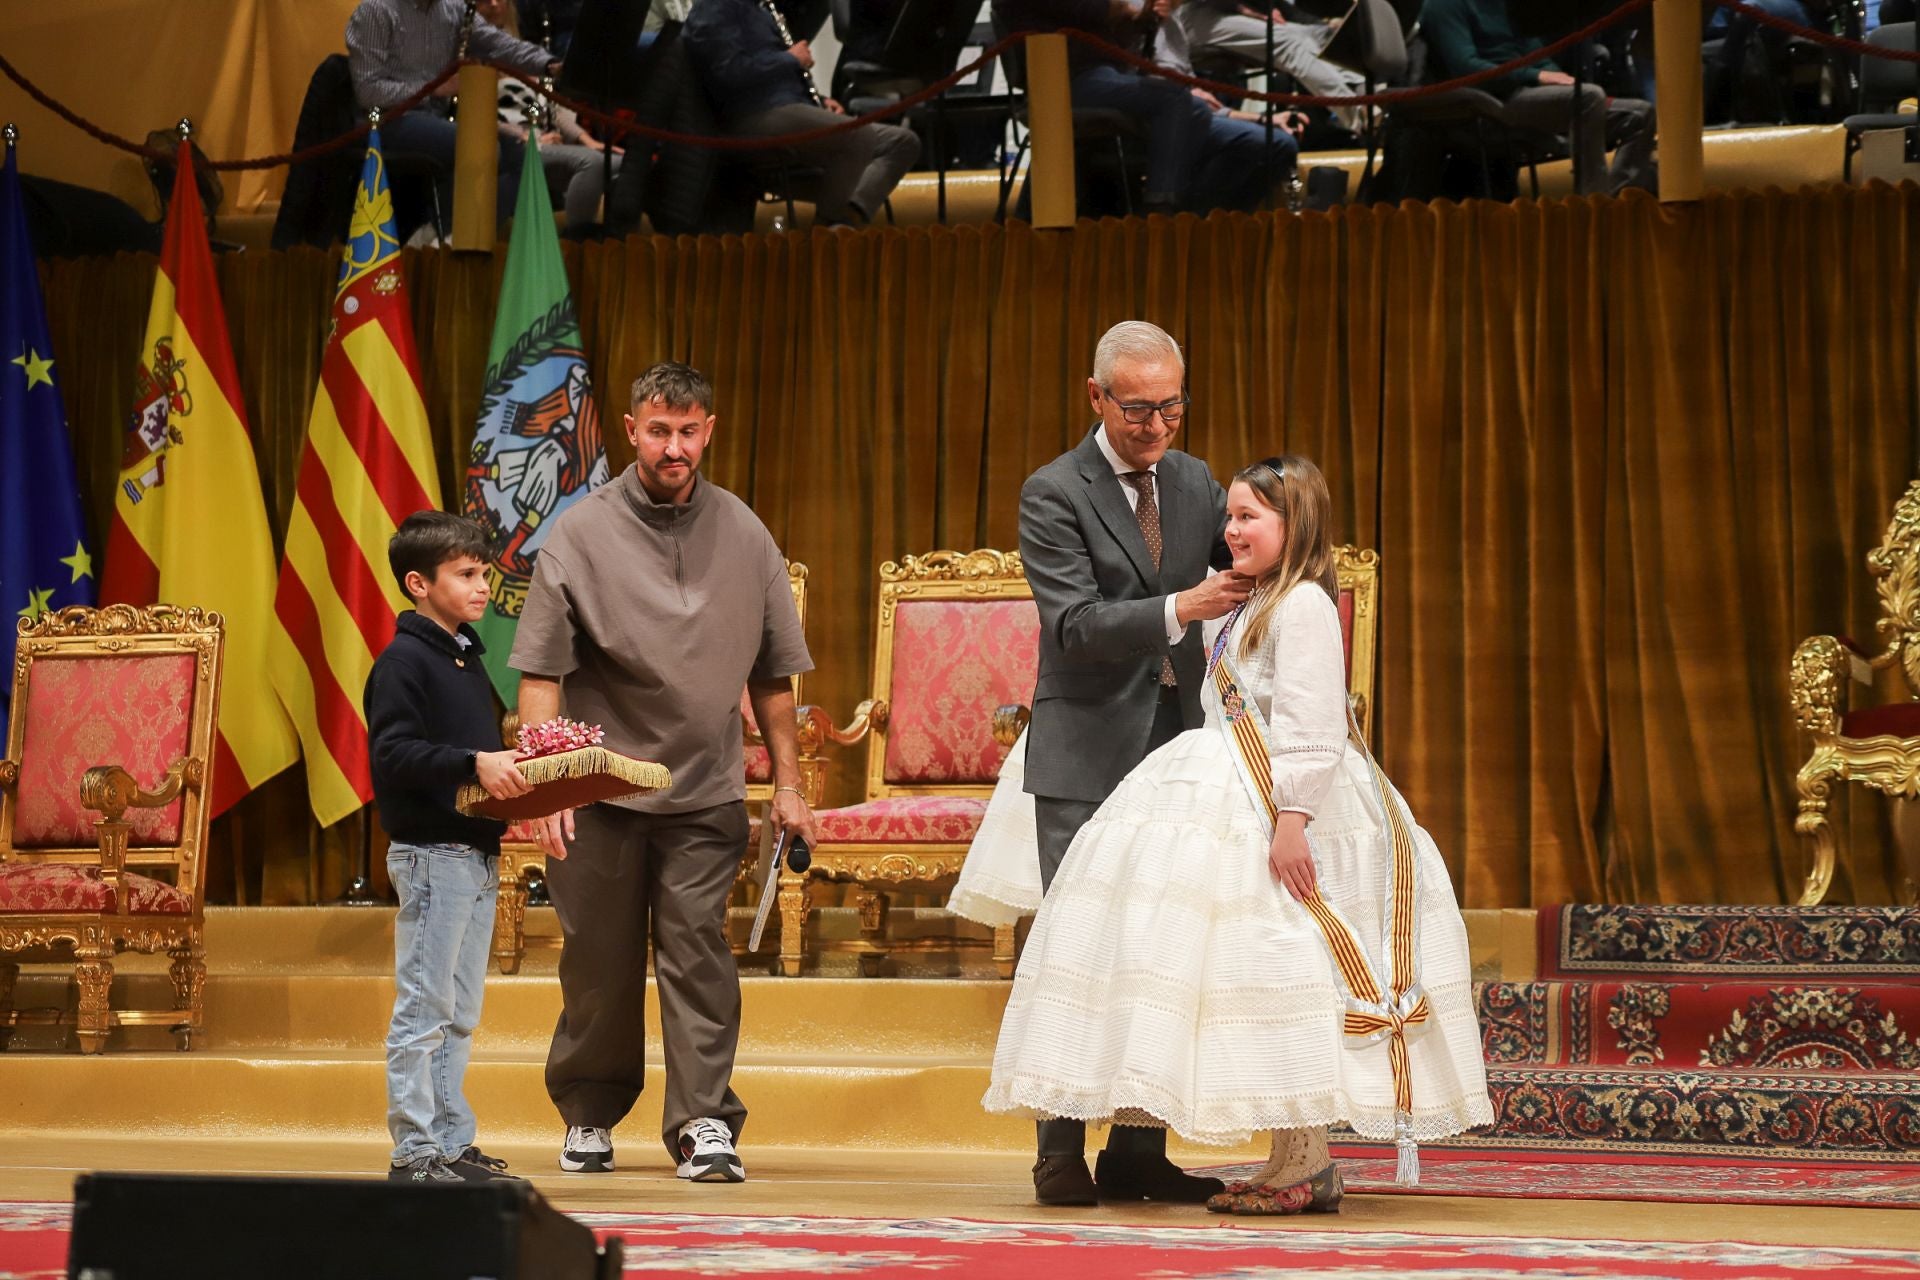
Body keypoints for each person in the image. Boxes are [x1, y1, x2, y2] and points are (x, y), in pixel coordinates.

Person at [983, 455, 1493, 1215]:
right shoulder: (1250, 604)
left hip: (1287, 806)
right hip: (1219, 789)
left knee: (1291, 966)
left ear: (1297, 525)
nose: (1229, 529)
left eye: (1249, 516)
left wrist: (1293, 823)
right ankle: (1292, 1158)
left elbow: (1314, 725)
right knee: (1253, 970)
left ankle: (1306, 1161)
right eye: (1229, 515)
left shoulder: (1304, 607)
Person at [510, 361, 815, 1184]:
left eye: (687, 431)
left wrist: (789, 785)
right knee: (599, 959)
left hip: (704, 790)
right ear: (629, 428)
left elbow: (774, 678)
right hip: (599, 790)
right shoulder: (577, 533)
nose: (672, 446)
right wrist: (546, 787)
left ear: (708, 430)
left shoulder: (746, 533)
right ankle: (587, 1113)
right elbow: (539, 673)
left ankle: (704, 1123)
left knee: (696, 952)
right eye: (656, 430)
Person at [1010, 320, 1248, 1206]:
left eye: (1172, 406)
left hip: (1178, 746)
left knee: (1162, 946)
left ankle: (1140, 1152)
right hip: (1085, 749)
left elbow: (1246, 562)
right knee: (1079, 947)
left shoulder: (1194, 482)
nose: (1157, 426)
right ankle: (1058, 1153)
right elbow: (1071, 625)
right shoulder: (1053, 491)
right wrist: (1179, 605)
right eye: (1139, 407)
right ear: (1096, 397)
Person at [365, 511, 534, 1184]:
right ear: (418, 583)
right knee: (424, 1006)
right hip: (433, 855)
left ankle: (450, 1143)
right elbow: (394, 753)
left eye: (485, 571)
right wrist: (475, 761)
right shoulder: (404, 661)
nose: (483, 585)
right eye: (466, 574)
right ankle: (414, 1151)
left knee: (459, 1011)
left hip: (473, 852)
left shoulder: (465, 656)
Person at [683, 0, 920, 226]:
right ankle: (827, 235)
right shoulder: (715, 7)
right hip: (753, 115)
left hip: (786, 110)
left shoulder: (760, 9)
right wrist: (789, 59)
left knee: (901, 142)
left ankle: (846, 220)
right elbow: (730, 74)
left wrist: (819, 102)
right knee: (858, 137)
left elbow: (782, 78)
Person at [345, 0, 561, 230]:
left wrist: (549, 64)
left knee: (520, 155)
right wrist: (433, 88)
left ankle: (466, 238)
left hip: (433, 118)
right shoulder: (376, 10)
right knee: (480, 146)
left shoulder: (453, 9)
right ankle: (435, 236)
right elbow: (368, 91)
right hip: (387, 119)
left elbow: (501, 45)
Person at [1420, 0, 1654, 197]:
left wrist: (1559, 77)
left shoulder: (1505, 4)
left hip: (1532, 93)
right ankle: (1593, 202)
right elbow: (1467, 69)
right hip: (1495, 98)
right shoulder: (1442, 5)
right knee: (1589, 97)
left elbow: (1536, 53)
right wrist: (1538, 75)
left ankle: (1620, 202)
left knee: (1640, 114)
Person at [477, 0, 620, 230]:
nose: (494, 4)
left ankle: (582, 238)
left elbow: (549, 106)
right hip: (510, 145)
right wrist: (530, 137)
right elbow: (477, 119)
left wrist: (587, 139)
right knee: (592, 164)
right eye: (485, 0)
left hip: (544, 139)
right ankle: (574, 238)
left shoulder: (524, 54)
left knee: (615, 162)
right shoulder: (471, 60)